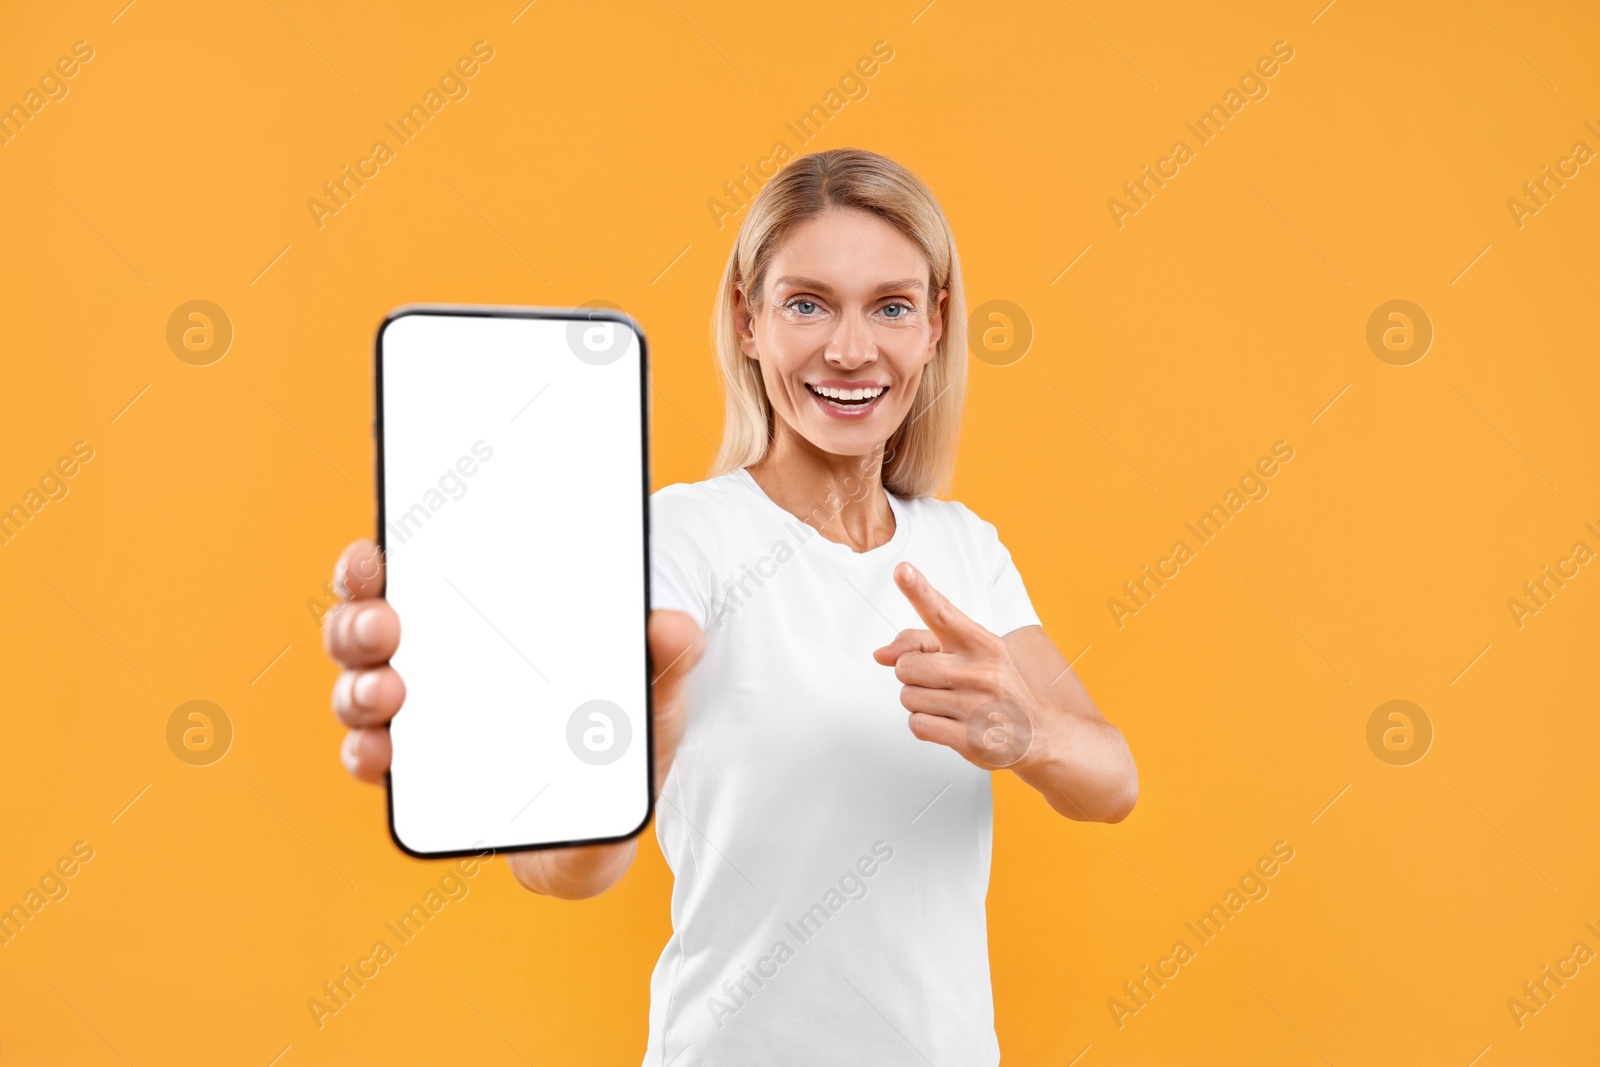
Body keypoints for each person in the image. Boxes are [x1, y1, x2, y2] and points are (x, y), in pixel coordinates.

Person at [322, 147, 1138, 1065]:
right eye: (806, 303)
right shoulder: (679, 539)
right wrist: (641, 737)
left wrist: (1029, 730)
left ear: (936, 325)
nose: (851, 348)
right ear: (748, 321)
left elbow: (1113, 782)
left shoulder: (964, 546)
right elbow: (557, 868)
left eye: (892, 306)